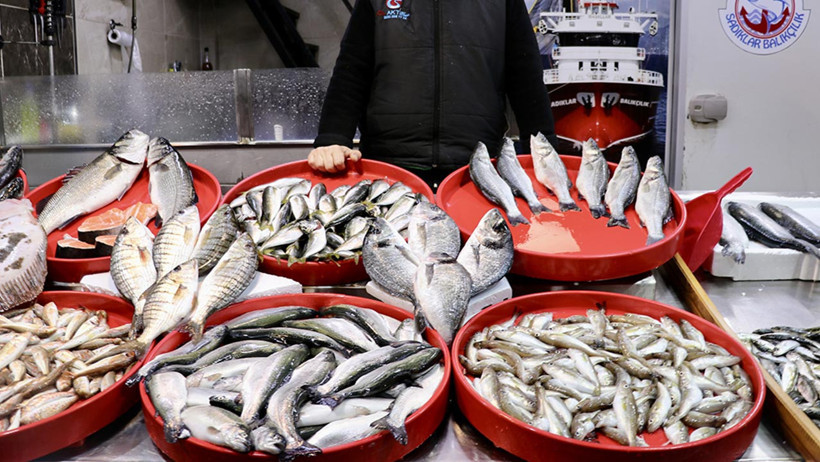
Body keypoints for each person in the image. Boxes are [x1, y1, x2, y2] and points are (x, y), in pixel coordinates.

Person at [307, 0, 558, 188]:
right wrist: (332, 138)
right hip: (387, 170)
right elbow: (352, 71)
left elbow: (525, 77)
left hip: (476, 172)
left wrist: (545, 151)